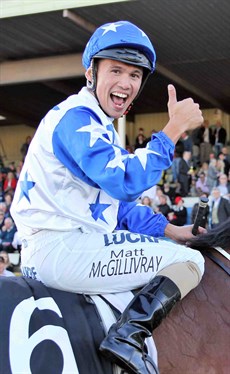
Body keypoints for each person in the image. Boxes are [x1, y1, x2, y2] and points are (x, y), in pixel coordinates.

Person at [10, 21, 205, 373]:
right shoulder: (76, 119)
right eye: (115, 70)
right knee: (191, 263)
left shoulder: (98, 124)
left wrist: (170, 229)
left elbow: (116, 206)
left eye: (135, 75)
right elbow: (126, 181)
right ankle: (127, 338)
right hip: (62, 250)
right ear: (91, 73)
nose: (126, 83)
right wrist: (173, 129)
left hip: (65, 249)